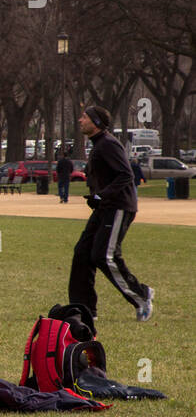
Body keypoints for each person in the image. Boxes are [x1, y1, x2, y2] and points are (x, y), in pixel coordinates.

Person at [70, 106, 154, 322]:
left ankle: (141, 296)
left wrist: (103, 195)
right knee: (82, 253)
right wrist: (96, 197)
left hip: (118, 207)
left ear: (96, 122)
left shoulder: (108, 144)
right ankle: (84, 310)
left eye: (84, 117)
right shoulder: (98, 144)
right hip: (105, 207)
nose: (80, 120)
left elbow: (126, 175)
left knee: (103, 256)